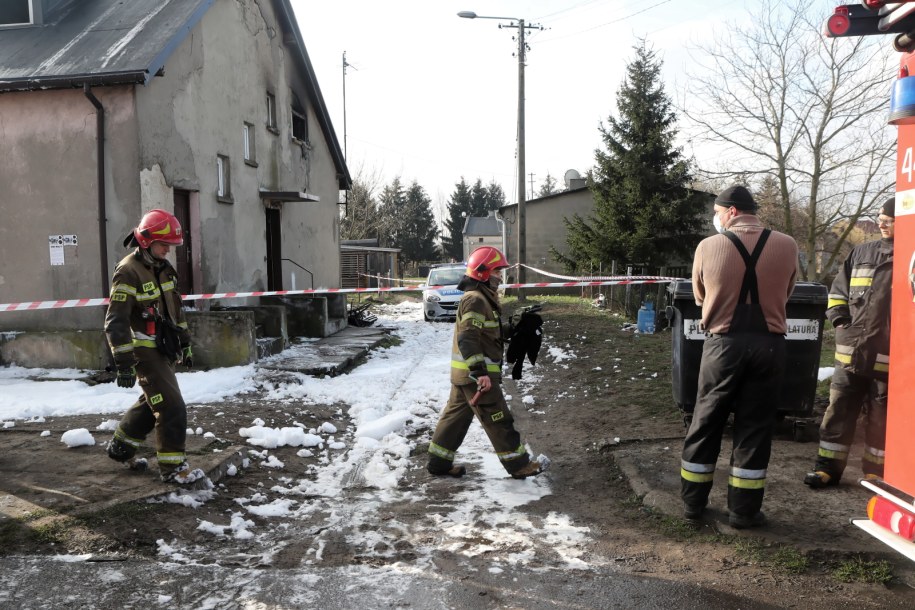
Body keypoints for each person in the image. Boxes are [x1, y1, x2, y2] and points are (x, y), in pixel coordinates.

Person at [680, 185, 798, 529]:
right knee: (756, 426)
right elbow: (788, 291)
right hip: (770, 345)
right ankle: (743, 511)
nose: (715, 219)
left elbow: (700, 296)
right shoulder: (788, 245)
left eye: (717, 213)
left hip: (723, 345)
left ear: (731, 212)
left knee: (705, 422)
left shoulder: (708, 246)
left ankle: (692, 504)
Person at [427, 246, 545, 479]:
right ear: (482, 273)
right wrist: (480, 372)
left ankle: (438, 463)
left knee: (454, 420)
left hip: (465, 376)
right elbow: (468, 338)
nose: (500, 277)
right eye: (496, 272)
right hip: (476, 377)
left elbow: (487, 334)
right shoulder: (476, 300)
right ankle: (519, 465)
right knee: (499, 420)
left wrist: (515, 327)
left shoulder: (481, 299)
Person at [104, 209, 204, 485]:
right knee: (171, 406)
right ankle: (173, 468)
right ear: (146, 241)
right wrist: (123, 363)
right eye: (164, 246)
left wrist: (185, 344)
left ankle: (121, 447)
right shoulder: (128, 271)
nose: (168, 251)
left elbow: (175, 312)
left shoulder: (164, 269)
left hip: (164, 349)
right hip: (143, 352)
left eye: (171, 246)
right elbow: (116, 321)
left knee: (153, 401)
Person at [804, 198, 894, 489]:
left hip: (888, 355)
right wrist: (841, 324)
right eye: (880, 217)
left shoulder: (910, 257)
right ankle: (827, 468)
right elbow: (838, 293)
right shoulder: (861, 252)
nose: (881, 223)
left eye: (889, 219)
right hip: (850, 351)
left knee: (881, 415)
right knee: (839, 409)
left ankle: (875, 472)